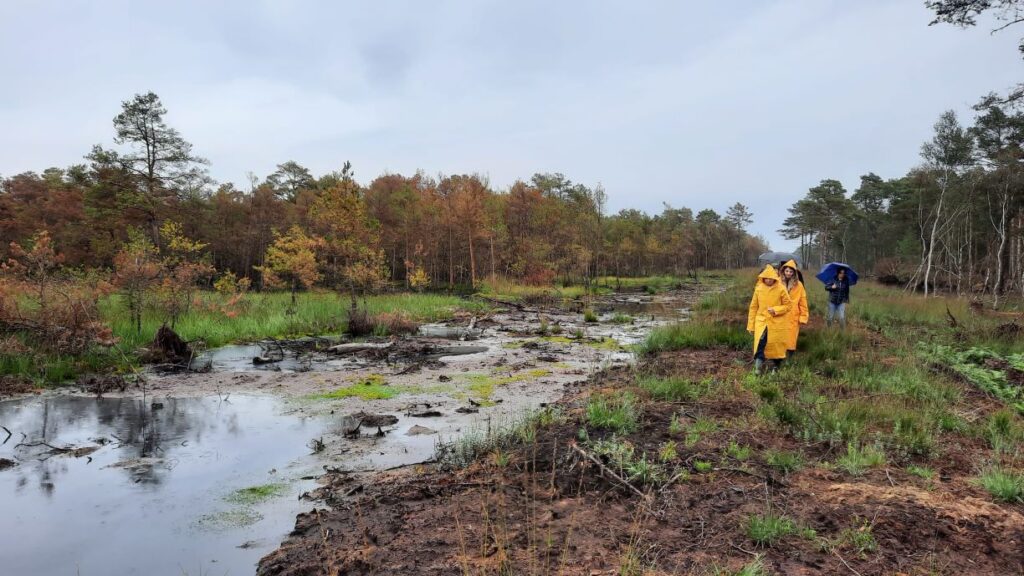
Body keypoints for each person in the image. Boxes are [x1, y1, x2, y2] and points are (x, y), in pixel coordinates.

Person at [747, 265, 792, 373]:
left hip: (777, 322)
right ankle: (758, 367)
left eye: (770, 278)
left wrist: (776, 310)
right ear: (763, 278)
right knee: (760, 343)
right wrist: (751, 325)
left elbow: (788, 305)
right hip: (761, 322)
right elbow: (753, 307)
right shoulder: (758, 289)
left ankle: (776, 366)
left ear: (774, 278)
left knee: (776, 344)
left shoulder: (781, 288)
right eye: (766, 278)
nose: (768, 280)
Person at [780, 260, 808, 355]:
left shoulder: (799, 285)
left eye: (791, 272)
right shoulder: (778, 283)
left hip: (793, 314)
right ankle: (779, 354)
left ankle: (790, 354)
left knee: (792, 335)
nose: (788, 273)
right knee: (780, 334)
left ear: (794, 273)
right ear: (783, 271)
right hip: (781, 313)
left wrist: (803, 316)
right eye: (787, 271)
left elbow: (803, 301)